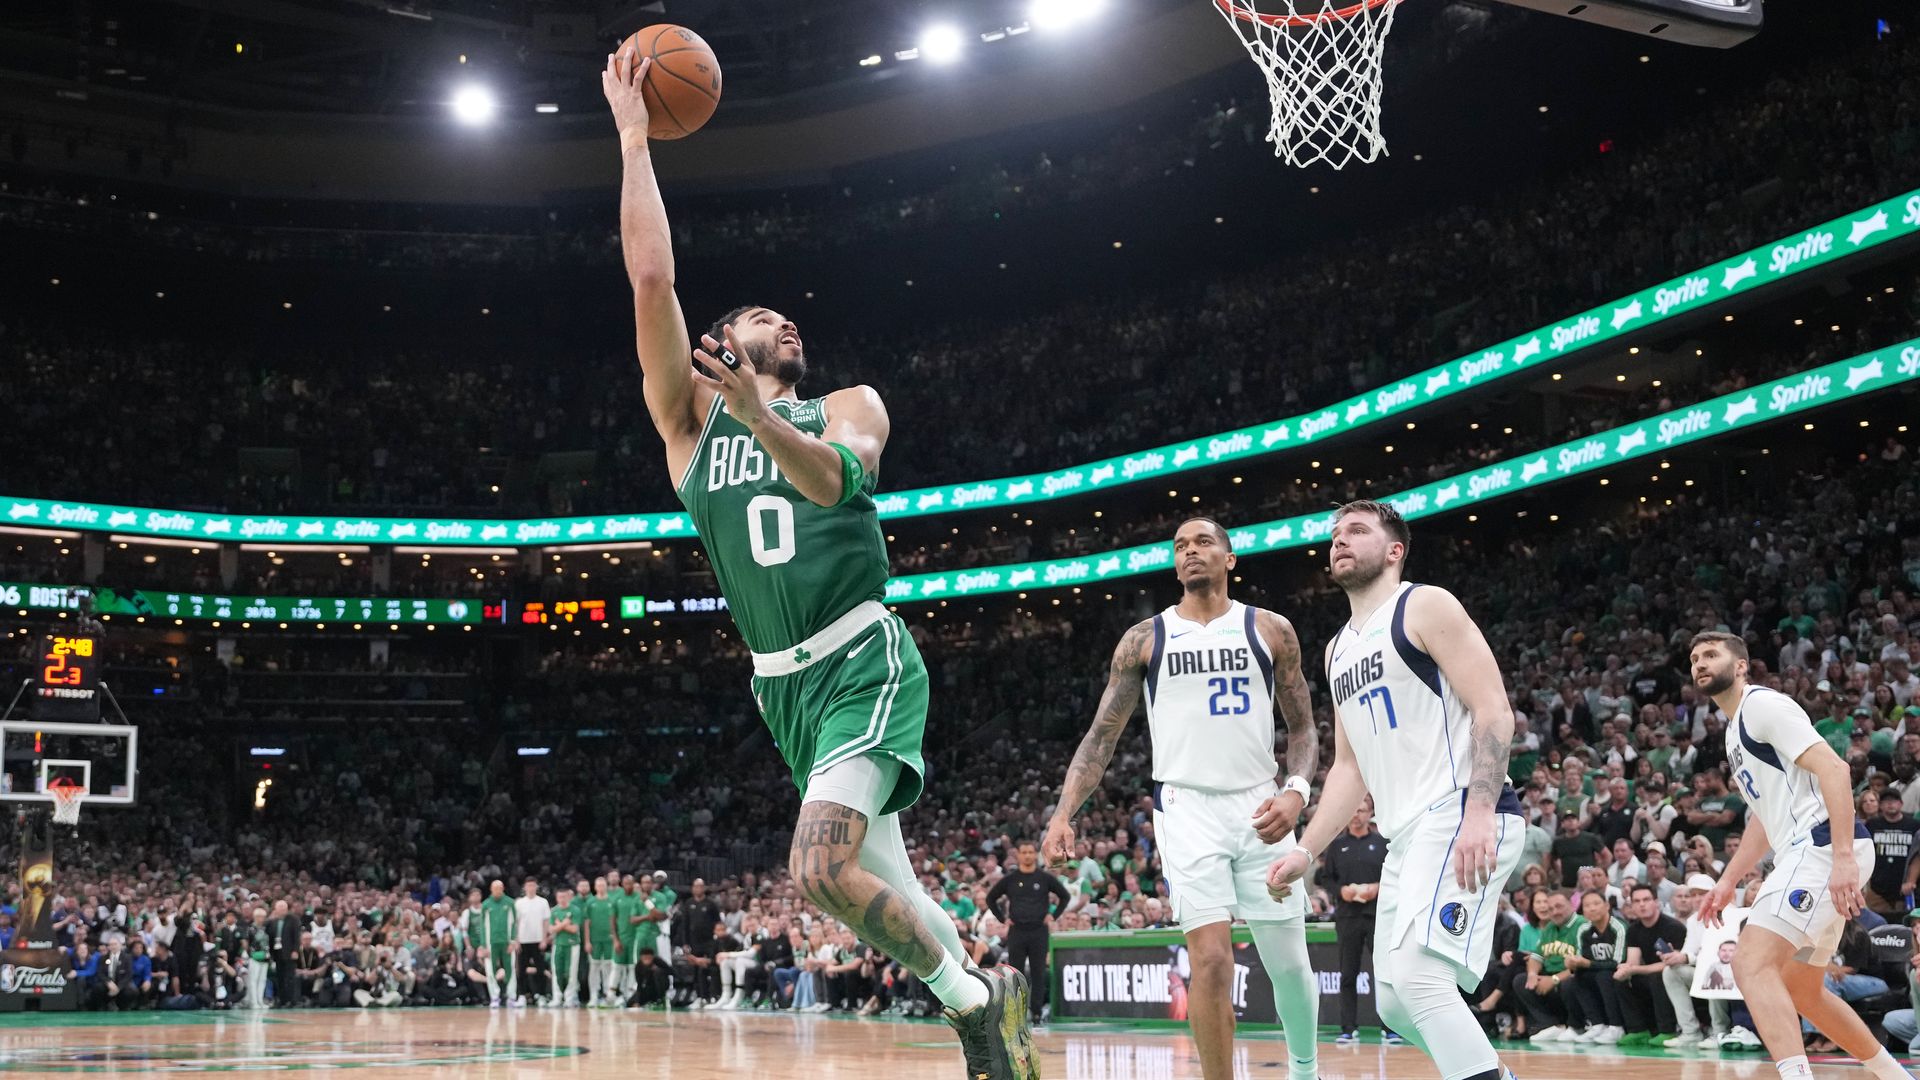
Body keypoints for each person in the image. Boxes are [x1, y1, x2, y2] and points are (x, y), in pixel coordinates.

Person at [603, 43, 1033, 1080]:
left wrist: (768, 417)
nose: (787, 320)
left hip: (862, 658)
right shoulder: (685, 426)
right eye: (762, 317)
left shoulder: (847, 405)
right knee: (884, 890)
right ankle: (994, 1001)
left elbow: (840, 484)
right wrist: (631, 134)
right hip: (781, 690)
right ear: (720, 343)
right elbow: (652, 275)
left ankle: (974, 1009)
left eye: (789, 320)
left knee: (818, 868)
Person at [1045, 518, 1321, 1080]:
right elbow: (1101, 736)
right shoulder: (1145, 639)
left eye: (1203, 543)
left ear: (1229, 558)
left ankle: (1305, 1069)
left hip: (1262, 807)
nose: (1190, 552)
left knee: (1289, 965)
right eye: (1180, 546)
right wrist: (1062, 813)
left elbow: (1304, 728)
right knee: (1212, 960)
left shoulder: (1270, 630)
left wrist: (1296, 792)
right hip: (1188, 808)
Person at [1267, 500, 1526, 1080]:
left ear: (1393, 550)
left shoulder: (1425, 605)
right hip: (1407, 835)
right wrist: (1305, 852)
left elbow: (1494, 711)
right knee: (1395, 1003)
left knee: (1419, 979)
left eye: (1357, 531)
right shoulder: (1336, 650)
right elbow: (1348, 770)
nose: (1340, 541)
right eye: (1335, 534)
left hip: (1461, 811)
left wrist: (1479, 809)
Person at [1689, 631, 1911, 1080]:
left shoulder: (1762, 706)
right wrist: (1728, 880)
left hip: (1823, 845)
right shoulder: (1735, 730)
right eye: (1694, 658)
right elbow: (1763, 820)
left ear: (1742, 665)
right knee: (1802, 989)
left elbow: (1835, 768)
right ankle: (1897, 1077)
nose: (1699, 663)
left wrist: (1844, 857)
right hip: (1810, 849)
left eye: (1711, 654)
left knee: (1751, 963)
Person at [1317, 798, 1394, 1044]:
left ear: (1370, 812)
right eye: (1352, 809)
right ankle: (1348, 1028)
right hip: (1348, 917)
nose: (1356, 815)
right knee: (1348, 973)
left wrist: (1378, 887)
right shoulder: (1337, 847)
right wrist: (1340, 892)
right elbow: (1326, 879)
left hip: (1377, 916)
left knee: (1384, 972)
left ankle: (1390, 1026)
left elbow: (1396, 876)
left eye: (1361, 810)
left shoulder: (1382, 844)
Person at [984, 840, 1072, 1025]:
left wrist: (1053, 915)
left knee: (1038, 973)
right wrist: (1002, 919)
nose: (1027, 855)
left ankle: (1037, 1013)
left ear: (1035, 854)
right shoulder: (1011, 879)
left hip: (1039, 930)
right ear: (1018, 855)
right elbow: (990, 898)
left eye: (1031, 852)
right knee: (1015, 974)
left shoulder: (1044, 878)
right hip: (1017, 931)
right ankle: (1016, 1013)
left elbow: (1065, 896)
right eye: (1024, 852)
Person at [1614, 883, 1686, 1043]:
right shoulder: (1633, 930)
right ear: (1631, 905)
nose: (1642, 904)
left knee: (1658, 976)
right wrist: (1625, 970)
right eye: (1637, 901)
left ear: (1656, 902)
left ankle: (1668, 1030)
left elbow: (1670, 964)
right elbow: (1632, 961)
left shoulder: (1673, 927)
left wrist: (1634, 969)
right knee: (1621, 980)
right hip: (1648, 973)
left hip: (1673, 974)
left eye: (1646, 899)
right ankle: (1638, 1029)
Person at [478, 879, 517, 1008]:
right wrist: (483, 945)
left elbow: (515, 923)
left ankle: (511, 997)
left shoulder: (510, 903)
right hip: (491, 944)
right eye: (495, 888)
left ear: (503, 888)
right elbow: (482, 927)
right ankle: (494, 997)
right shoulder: (486, 905)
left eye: (499, 888)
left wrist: (513, 941)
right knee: (490, 970)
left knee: (510, 969)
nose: (497, 890)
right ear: (491, 889)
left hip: (507, 943)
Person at [513, 878, 551, 1007]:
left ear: (536, 887)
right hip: (523, 941)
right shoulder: (519, 903)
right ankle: (522, 995)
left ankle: (541, 995)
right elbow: (516, 923)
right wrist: (516, 940)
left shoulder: (543, 902)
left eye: (533, 885)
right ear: (525, 887)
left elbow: (546, 922)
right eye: (528, 885)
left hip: (538, 940)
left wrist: (544, 939)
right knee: (521, 970)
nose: (531, 887)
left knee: (540, 969)